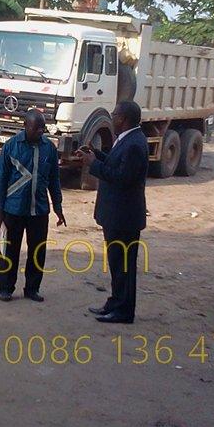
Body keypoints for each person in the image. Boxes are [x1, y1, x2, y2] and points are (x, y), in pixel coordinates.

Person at [77, 100, 148, 324]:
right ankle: (115, 302)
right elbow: (118, 166)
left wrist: (93, 165)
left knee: (123, 267)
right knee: (117, 265)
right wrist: (97, 155)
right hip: (118, 216)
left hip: (124, 217)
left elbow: (122, 178)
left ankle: (123, 311)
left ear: (123, 119)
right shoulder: (128, 139)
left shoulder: (135, 144)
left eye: (115, 114)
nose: (112, 117)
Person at [0, 109, 65, 302]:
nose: (40, 131)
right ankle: (6, 288)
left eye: (42, 127)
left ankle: (32, 289)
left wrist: (58, 207)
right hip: (13, 210)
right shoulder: (11, 147)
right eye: (36, 127)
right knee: (10, 250)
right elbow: (1, 180)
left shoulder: (49, 148)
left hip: (39, 211)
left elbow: (54, 180)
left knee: (37, 251)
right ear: (25, 126)